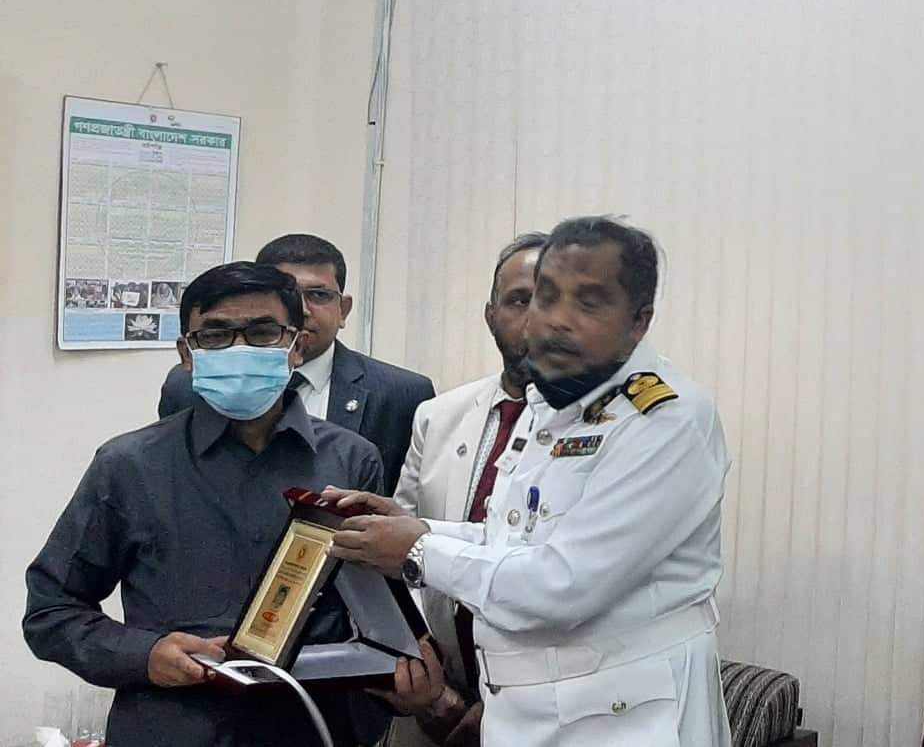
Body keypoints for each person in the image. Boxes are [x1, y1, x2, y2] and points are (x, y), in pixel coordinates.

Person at [326, 216, 734, 747]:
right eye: (546, 297)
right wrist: (417, 526)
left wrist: (418, 551)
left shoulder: (664, 419)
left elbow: (564, 584)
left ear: (639, 322)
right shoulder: (554, 402)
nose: (557, 320)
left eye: (589, 302)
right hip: (525, 712)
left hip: (622, 716)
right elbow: (515, 539)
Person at [24, 262, 400, 745]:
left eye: (263, 332)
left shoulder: (351, 461)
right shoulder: (129, 465)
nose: (240, 349)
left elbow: (377, 610)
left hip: (308, 724)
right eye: (216, 335)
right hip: (172, 726)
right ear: (187, 353)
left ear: (296, 346)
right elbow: (51, 611)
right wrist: (144, 655)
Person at [383, 231, 548, 746]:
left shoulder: (600, 429)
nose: (536, 318)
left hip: (546, 696)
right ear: (490, 315)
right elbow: (403, 556)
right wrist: (430, 684)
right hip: (438, 692)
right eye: (519, 300)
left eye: (550, 301)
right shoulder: (438, 416)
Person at [160, 233, 434, 489]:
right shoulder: (186, 385)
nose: (301, 310)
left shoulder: (401, 395)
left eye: (318, 295)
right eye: (287, 295)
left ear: (343, 310)